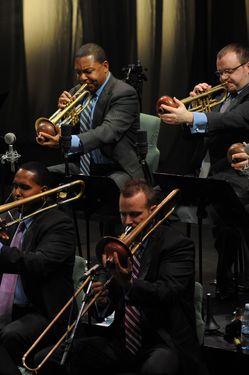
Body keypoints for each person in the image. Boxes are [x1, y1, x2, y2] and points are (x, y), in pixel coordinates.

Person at [34, 178, 209, 375]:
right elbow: (100, 311)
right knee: (47, 359)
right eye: (122, 214)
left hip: (163, 340)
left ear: (153, 210)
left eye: (135, 214)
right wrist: (101, 300)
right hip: (121, 341)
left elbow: (167, 292)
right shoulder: (116, 244)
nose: (127, 222)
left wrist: (129, 284)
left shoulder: (177, 245)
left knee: (155, 368)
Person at [158, 42, 249, 299]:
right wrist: (198, 107)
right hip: (209, 171)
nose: (223, 78)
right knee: (160, 196)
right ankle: (170, 276)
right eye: (220, 73)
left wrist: (192, 117)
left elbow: (237, 119)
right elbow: (195, 135)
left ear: (247, 66)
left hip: (237, 174)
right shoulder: (222, 94)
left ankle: (226, 275)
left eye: (229, 71)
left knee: (226, 211)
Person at [0, 161, 77, 375]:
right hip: (8, 307)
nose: (16, 193)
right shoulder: (12, 218)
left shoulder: (59, 224)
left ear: (43, 192)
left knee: (11, 335)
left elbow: (38, 263)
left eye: (24, 188)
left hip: (43, 310)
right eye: (15, 186)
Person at [35, 42, 144, 190]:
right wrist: (60, 120)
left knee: (106, 188)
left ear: (105, 67)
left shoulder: (124, 93)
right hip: (82, 165)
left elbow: (108, 132)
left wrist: (66, 141)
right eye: (79, 72)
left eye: (88, 71)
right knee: (41, 178)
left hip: (117, 168)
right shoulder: (75, 93)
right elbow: (65, 133)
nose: (82, 78)